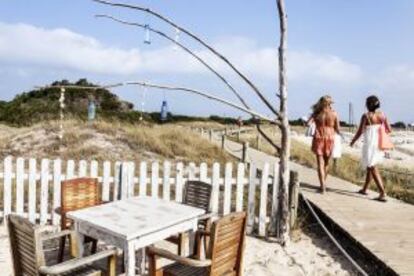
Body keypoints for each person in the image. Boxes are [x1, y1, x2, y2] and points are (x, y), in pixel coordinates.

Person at [350, 95, 391, 202]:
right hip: (379, 142)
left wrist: (353, 141)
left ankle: (382, 193)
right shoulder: (382, 115)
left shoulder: (366, 116)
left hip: (370, 143)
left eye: (366, 103)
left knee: (372, 166)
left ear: (368, 105)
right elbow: (389, 129)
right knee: (370, 166)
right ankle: (364, 189)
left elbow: (360, 131)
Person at [308, 95, 341, 193]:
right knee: (326, 163)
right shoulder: (334, 113)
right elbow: (338, 128)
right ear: (330, 103)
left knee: (320, 163)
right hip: (330, 138)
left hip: (319, 137)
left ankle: (322, 186)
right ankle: (323, 184)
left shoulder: (317, 113)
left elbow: (308, 123)